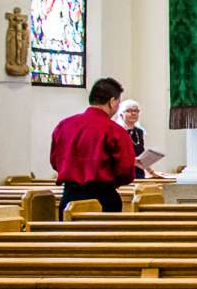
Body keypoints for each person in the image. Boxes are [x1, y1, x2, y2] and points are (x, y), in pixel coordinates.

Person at [49, 76, 136, 215]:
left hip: (70, 197)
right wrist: (113, 182)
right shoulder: (115, 131)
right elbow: (126, 170)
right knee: (104, 236)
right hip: (102, 198)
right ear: (112, 101)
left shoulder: (64, 125)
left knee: (69, 236)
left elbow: (55, 161)